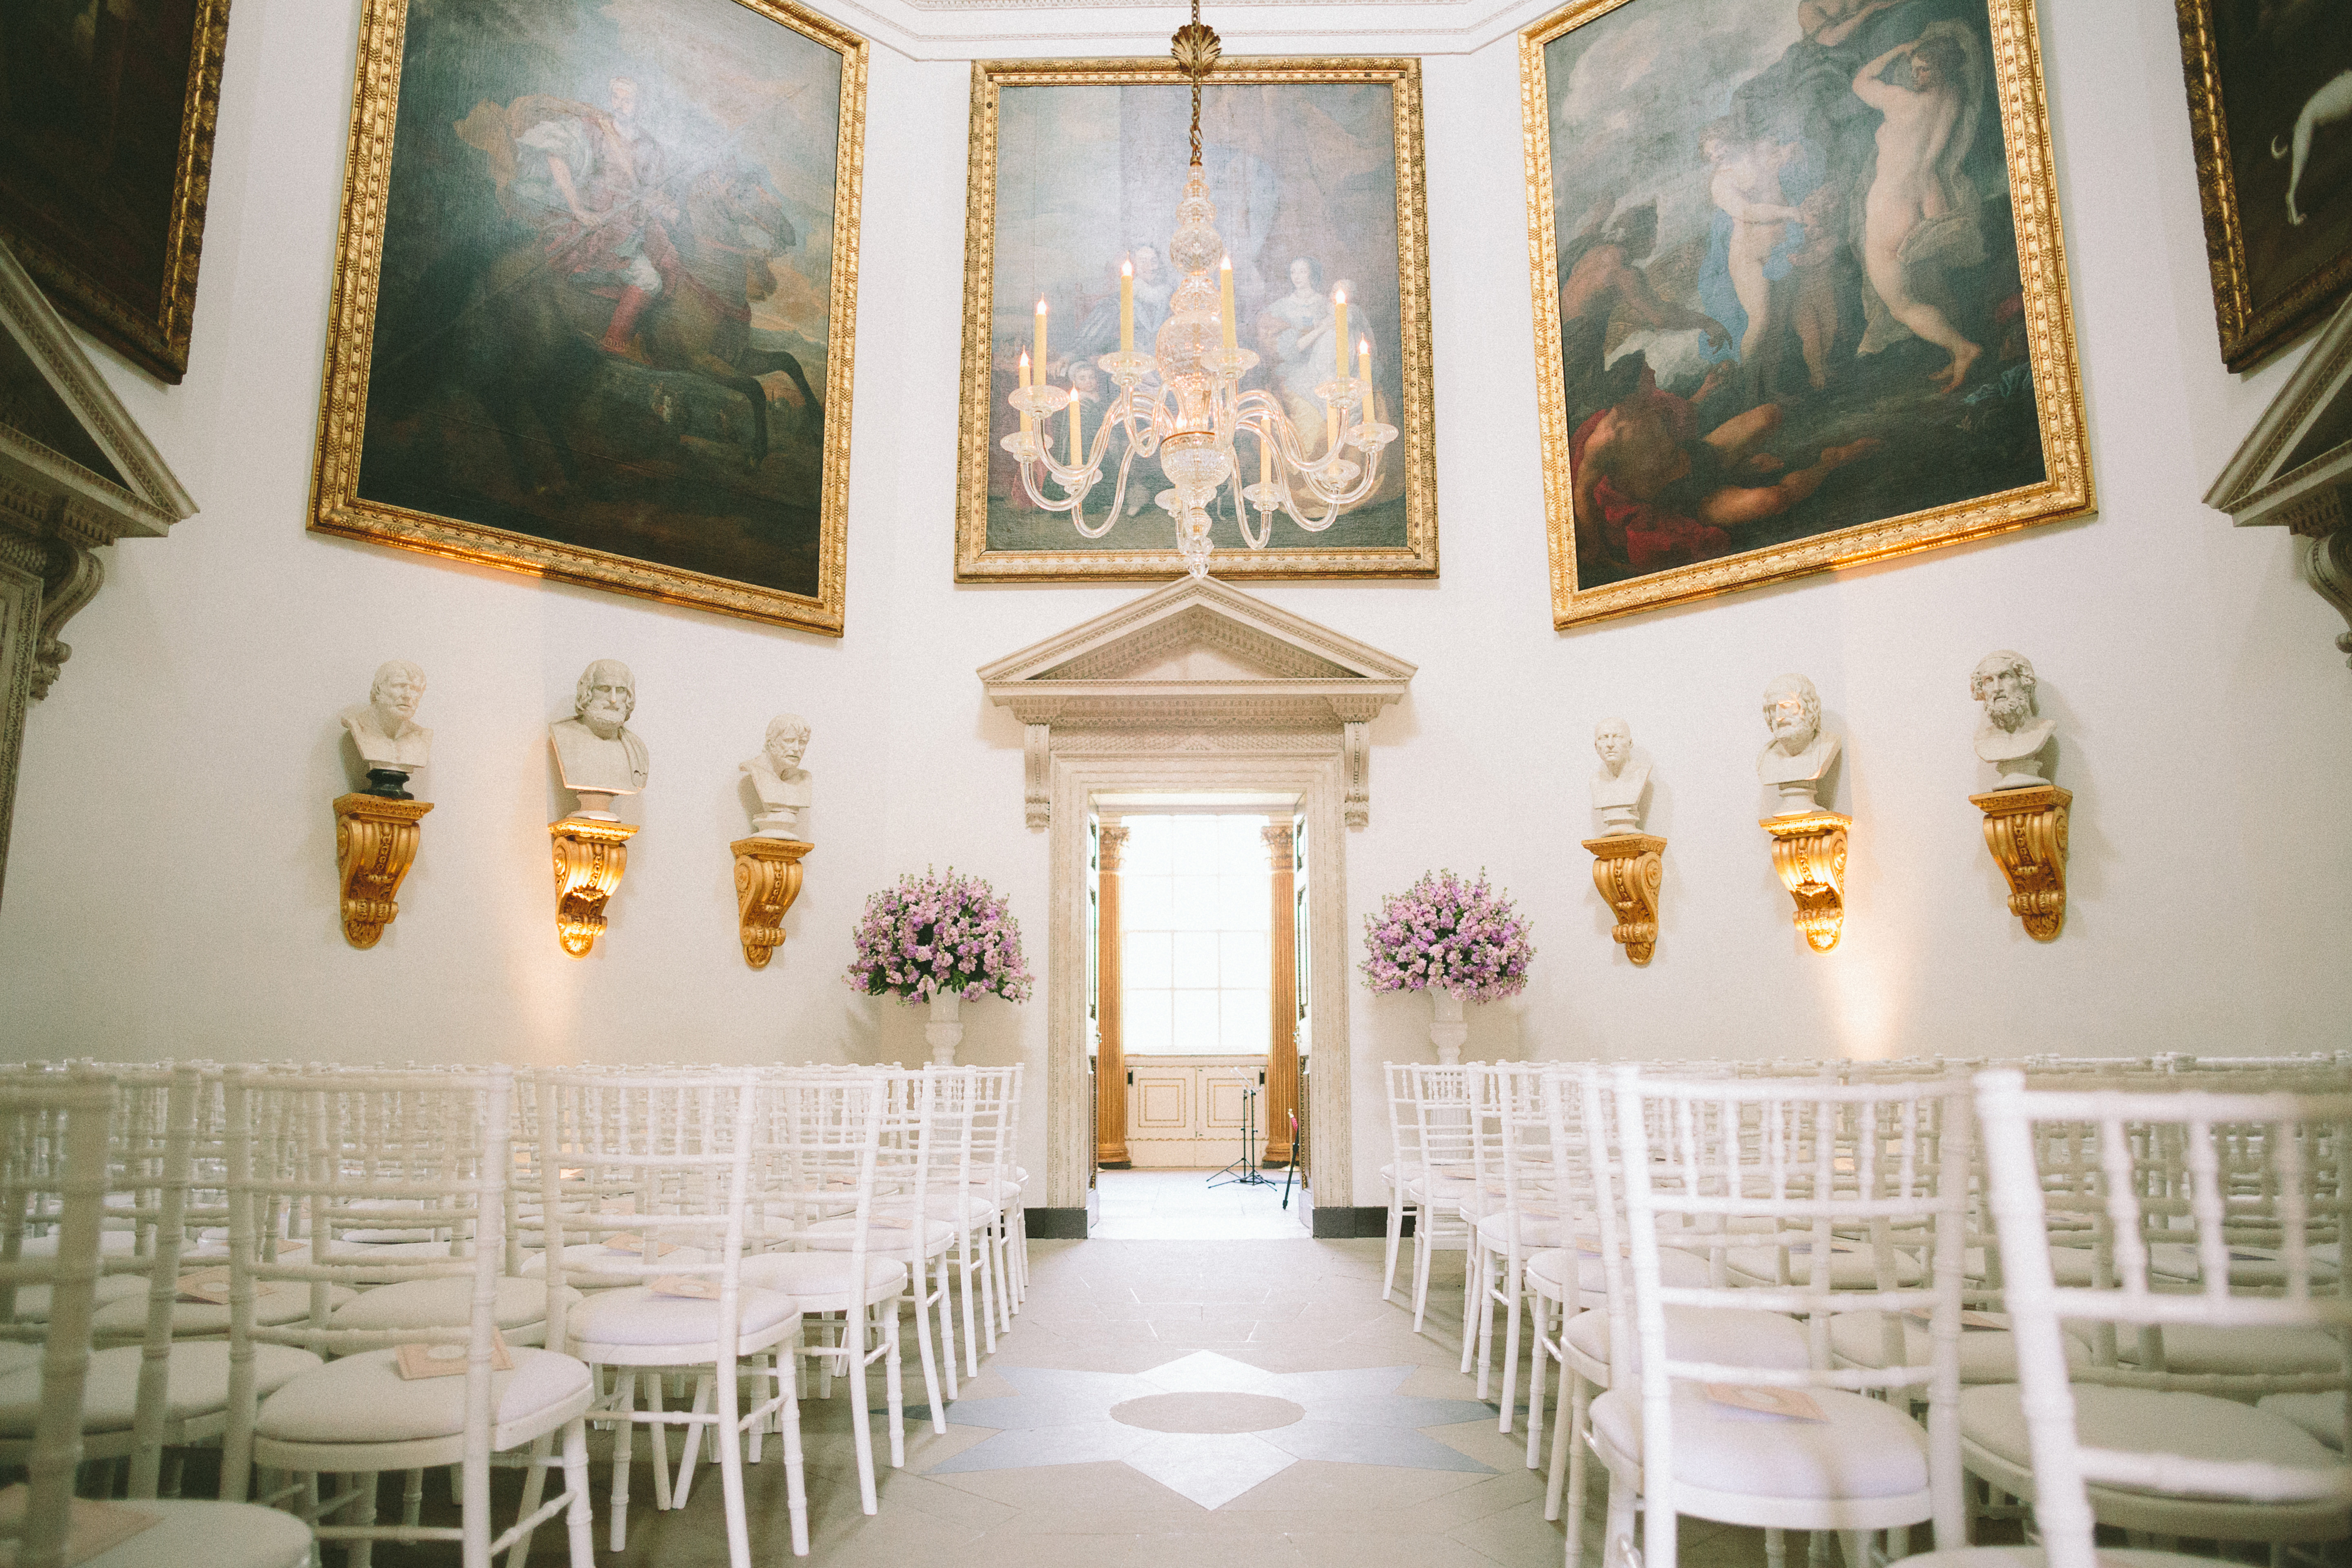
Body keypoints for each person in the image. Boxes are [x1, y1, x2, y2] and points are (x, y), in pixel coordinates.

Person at [1570, 355, 1880, 575]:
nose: (1653, 373)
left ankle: (1741, 470)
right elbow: (1582, 493)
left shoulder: (1652, 405)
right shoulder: (1605, 441)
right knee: (1774, 499)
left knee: (1770, 414)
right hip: (1685, 500)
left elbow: (1685, 418)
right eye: (1647, 372)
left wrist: (1705, 391)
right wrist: (1592, 546)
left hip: (1701, 459)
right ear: (1633, 388)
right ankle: (1829, 462)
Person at [1853, 27, 1985, 391]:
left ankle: (1963, 349)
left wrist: (1900, 47)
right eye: (1913, 68)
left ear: (1942, 69)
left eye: (1925, 69)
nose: (1915, 76)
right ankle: (1954, 351)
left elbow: (1861, 81)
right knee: (1928, 286)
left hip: (1888, 211)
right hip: (1919, 205)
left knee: (1901, 305)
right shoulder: (1954, 98)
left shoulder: (1902, 102)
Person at [510, 76, 676, 356]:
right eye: (616, 98)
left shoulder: (652, 147)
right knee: (650, 281)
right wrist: (578, 208)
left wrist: (666, 208)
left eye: (628, 100)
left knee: (670, 265)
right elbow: (555, 153)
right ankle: (612, 349)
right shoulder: (594, 130)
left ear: (641, 106)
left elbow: (653, 193)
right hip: (595, 225)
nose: (620, 105)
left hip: (633, 229)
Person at [1556, 202, 1730, 428]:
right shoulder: (1624, 273)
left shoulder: (1592, 244)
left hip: (1558, 339)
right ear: (1642, 238)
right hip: (1580, 360)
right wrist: (1707, 321)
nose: (1653, 243)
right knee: (1633, 376)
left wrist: (1606, 209)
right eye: (1651, 236)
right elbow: (1660, 316)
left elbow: (1594, 223)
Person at [550, 659, 650, 808]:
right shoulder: (563, 734)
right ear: (588, 692)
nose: (613, 699)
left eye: (621, 690)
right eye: (604, 689)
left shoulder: (637, 748)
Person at [1970, 650, 2056, 788]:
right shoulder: (1982, 740)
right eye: (1989, 681)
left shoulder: (2043, 729)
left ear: (2023, 681)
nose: (1997, 689)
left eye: (2005, 677)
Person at [1757, 673, 1840, 814]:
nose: (1778, 717)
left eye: (1787, 705)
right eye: (1772, 708)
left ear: (1809, 707)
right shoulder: (1766, 756)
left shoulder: (1829, 744)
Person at [340, 661, 432, 776]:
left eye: (415, 689)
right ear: (378, 689)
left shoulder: (421, 736)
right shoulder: (359, 726)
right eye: (399, 686)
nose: (408, 696)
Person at [743, 715, 813, 839]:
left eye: (802, 742)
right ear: (771, 742)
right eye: (789, 740)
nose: (797, 749)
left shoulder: (804, 778)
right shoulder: (756, 770)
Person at [1589, 719, 1651, 836]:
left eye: (1618, 737)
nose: (1610, 744)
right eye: (1604, 737)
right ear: (1596, 746)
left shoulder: (1641, 773)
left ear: (1630, 743)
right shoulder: (1595, 781)